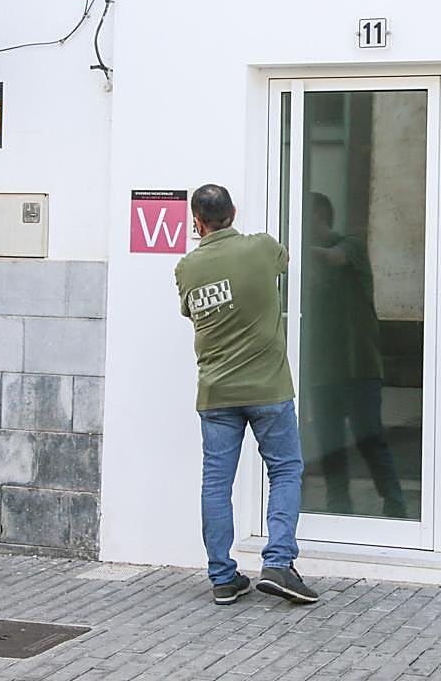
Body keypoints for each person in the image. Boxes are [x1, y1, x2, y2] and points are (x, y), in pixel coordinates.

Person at [175, 183, 319, 606]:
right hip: (268, 388)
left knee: (216, 484)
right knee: (286, 470)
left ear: (195, 222)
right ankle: (277, 563)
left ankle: (223, 578)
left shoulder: (187, 267)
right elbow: (283, 261)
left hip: (216, 393)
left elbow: (188, 310)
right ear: (234, 212)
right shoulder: (261, 249)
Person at [304, 192, 407, 519]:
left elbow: (333, 258)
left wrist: (293, 250)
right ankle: (338, 508)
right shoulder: (311, 265)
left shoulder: (351, 245)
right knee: (330, 445)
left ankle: (395, 504)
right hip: (321, 370)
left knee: (369, 439)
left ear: (320, 216)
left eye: (303, 218)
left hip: (357, 365)